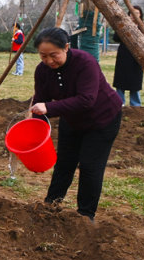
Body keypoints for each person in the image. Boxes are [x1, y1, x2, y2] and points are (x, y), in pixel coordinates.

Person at [29, 27, 122, 222]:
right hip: (71, 120)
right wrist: (34, 134)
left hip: (102, 119)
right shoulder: (42, 70)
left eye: (53, 55)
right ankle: (51, 205)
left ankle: (85, 215)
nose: (49, 61)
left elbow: (87, 99)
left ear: (66, 48)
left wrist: (49, 107)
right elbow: (41, 100)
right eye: (43, 56)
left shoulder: (85, 63)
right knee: (64, 162)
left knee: (89, 165)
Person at [113, 6, 144, 107]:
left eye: (137, 13)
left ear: (140, 15)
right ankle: (119, 103)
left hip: (137, 56)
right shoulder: (122, 24)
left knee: (135, 82)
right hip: (124, 55)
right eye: (132, 13)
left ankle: (135, 104)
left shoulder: (143, 26)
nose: (134, 15)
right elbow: (116, 38)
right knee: (121, 80)